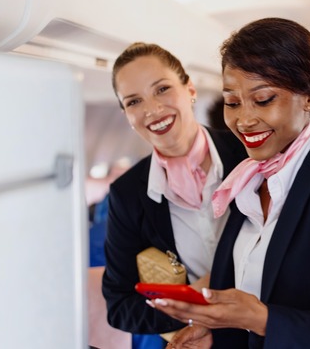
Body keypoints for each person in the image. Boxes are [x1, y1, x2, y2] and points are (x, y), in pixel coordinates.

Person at [148, 17, 310, 348]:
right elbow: (249, 298)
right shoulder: (247, 181)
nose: (243, 119)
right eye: (232, 101)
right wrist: (216, 335)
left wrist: (265, 320)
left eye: (264, 99)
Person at [101, 42, 247, 339]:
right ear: (127, 116)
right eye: (133, 102)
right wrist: (189, 307)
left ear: (190, 90)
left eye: (162, 89)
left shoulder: (247, 152)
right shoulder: (127, 194)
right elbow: (120, 306)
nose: (152, 110)